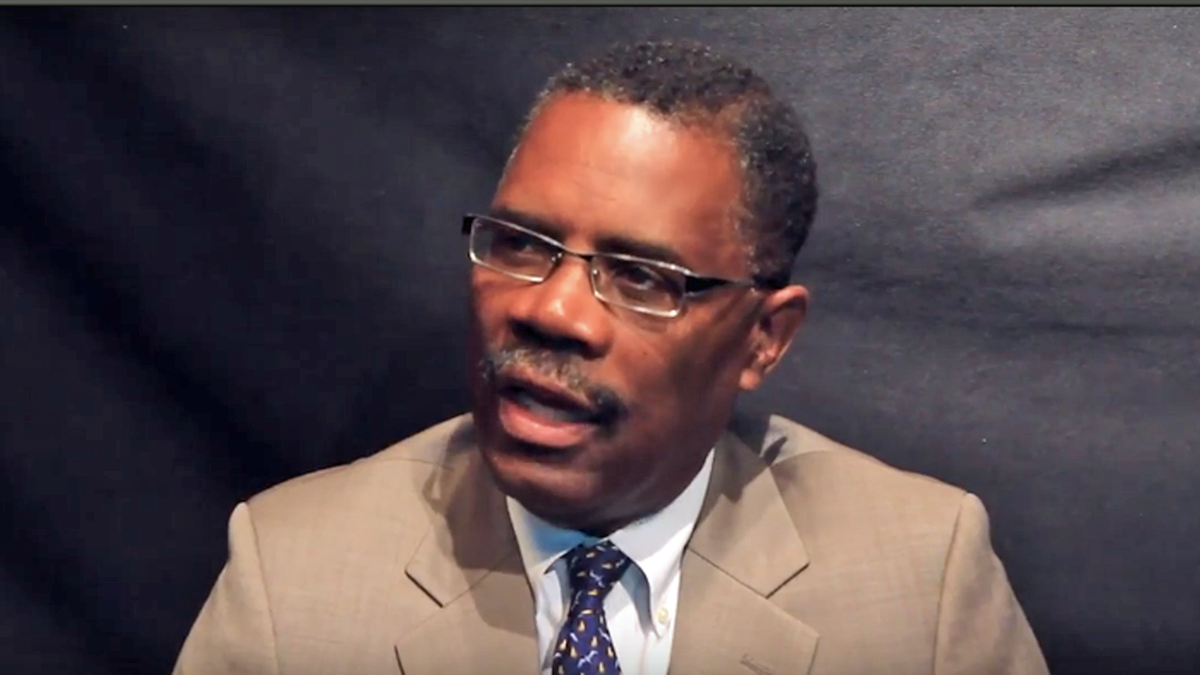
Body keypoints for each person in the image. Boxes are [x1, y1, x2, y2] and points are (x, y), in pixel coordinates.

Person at [173, 40, 1048, 675]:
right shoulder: (293, 577)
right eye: (520, 243)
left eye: (640, 276)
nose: (551, 310)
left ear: (762, 339)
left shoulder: (921, 579)